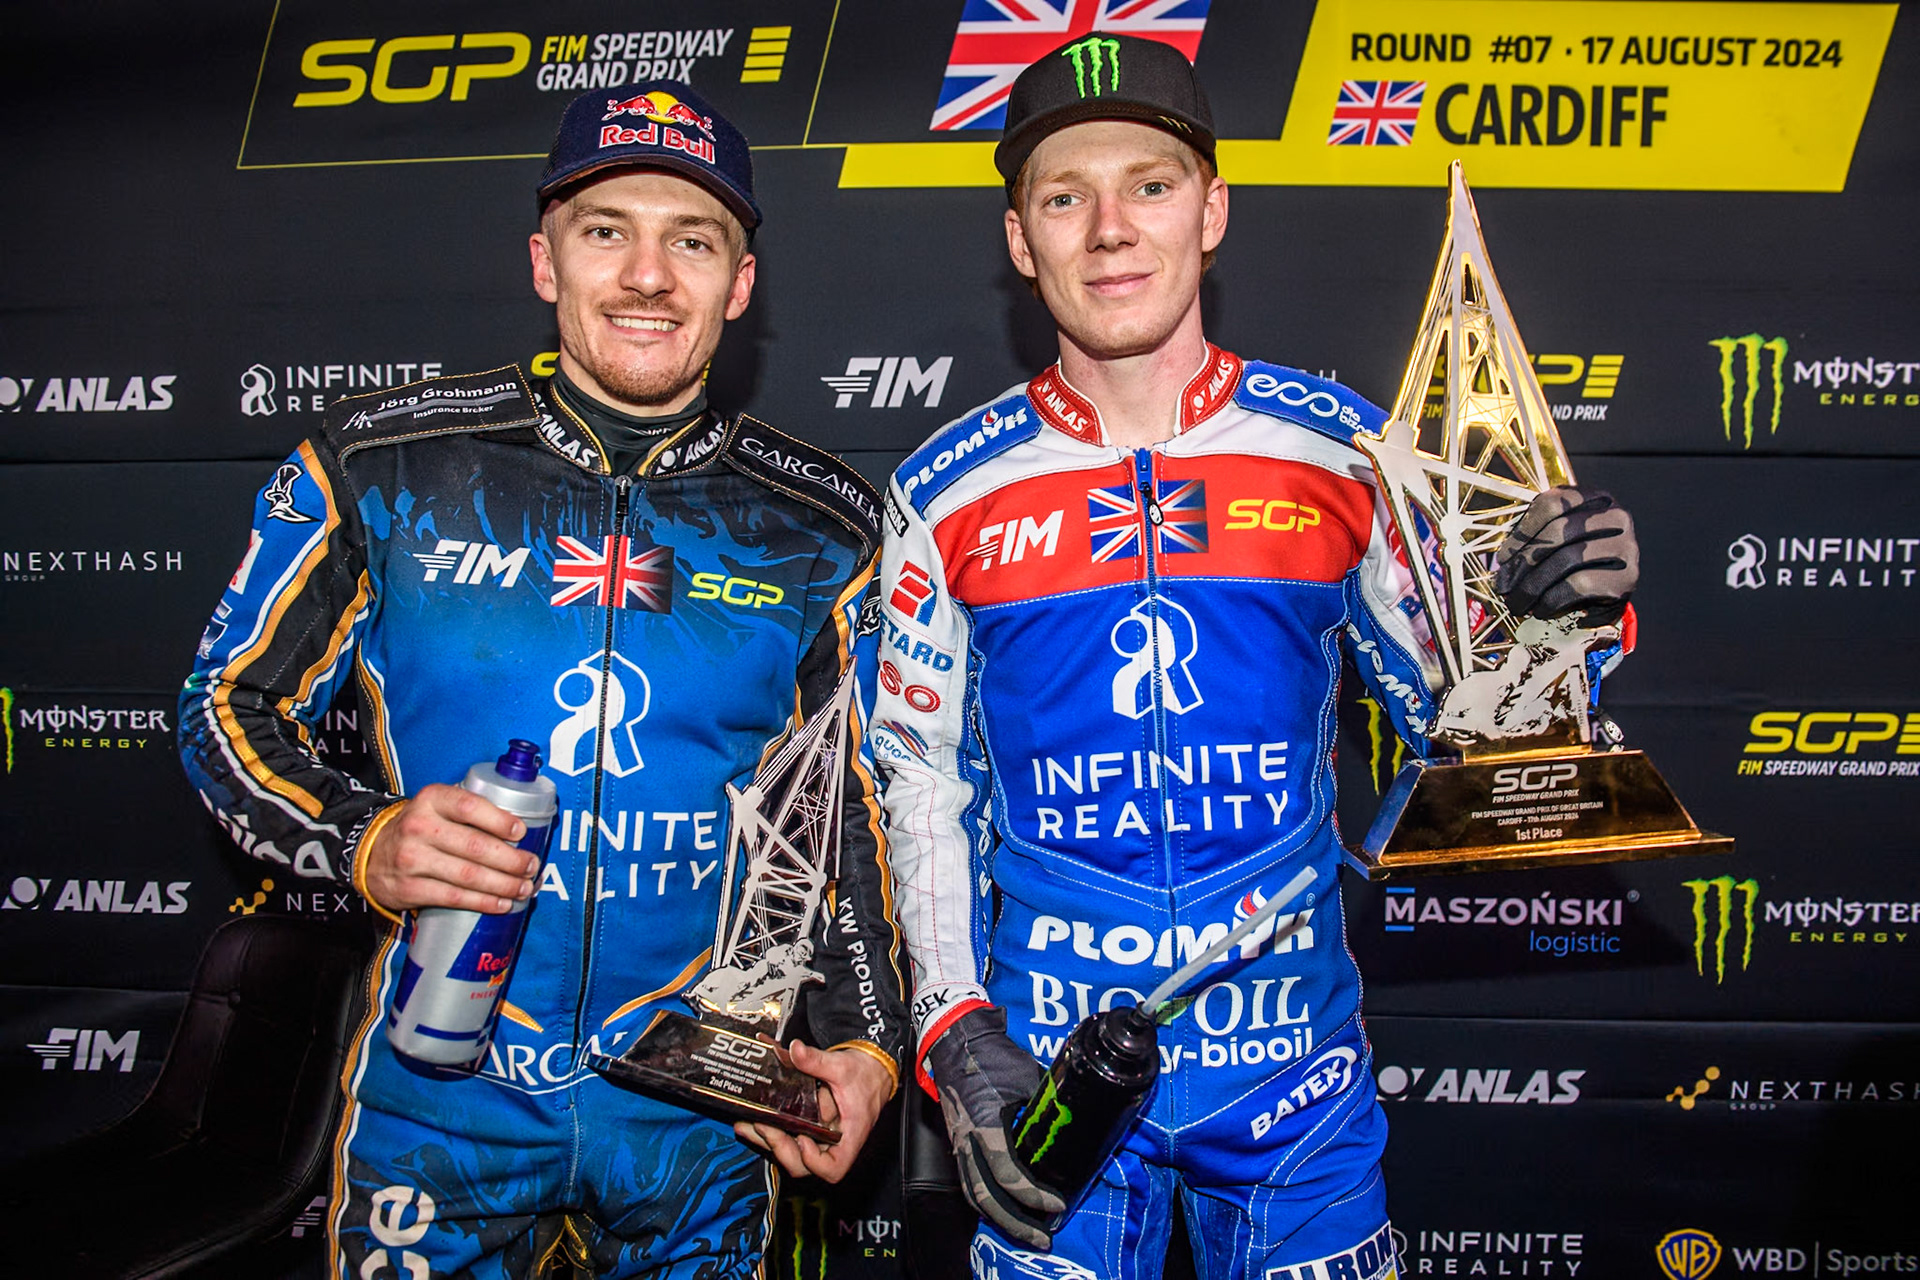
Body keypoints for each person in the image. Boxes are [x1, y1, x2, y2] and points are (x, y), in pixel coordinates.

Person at [869, 35, 1639, 1280]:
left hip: (1295, 1069)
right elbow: (915, 782)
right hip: (1054, 1076)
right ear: (1022, 240)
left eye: (1152, 185)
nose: (1110, 228)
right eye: (1065, 197)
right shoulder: (945, 488)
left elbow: (1479, 728)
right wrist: (955, 1026)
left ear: (1213, 210)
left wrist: (1559, 624)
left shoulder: (1346, 452)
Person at [179, 81, 906, 1279]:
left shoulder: (825, 523)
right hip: (440, 1094)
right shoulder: (384, 466)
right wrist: (364, 836)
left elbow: (858, 811)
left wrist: (867, 1044)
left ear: (739, 283)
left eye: (694, 240)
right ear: (544, 260)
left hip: (700, 1115)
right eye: (606, 229)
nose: (647, 275)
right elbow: (222, 707)